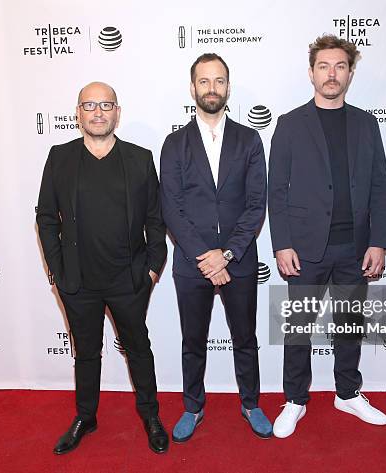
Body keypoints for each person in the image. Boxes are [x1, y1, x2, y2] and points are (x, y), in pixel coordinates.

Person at [268, 35, 386, 438]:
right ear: (311, 73)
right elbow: (277, 190)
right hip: (305, 248)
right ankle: (294, 400)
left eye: (340, 66)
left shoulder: (366, 124)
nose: (332, 74)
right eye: (324, 66)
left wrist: (378, 240)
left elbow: (378, 185)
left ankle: (348, 393)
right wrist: (282, 243)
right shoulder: (289, 124)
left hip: (354, 247)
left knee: (349, 325)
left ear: (350, 73)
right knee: (299, 328)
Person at [36, 81, 169, 454]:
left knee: (138, 348)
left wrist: (153, 268)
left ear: (117, 112)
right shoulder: (60, 157)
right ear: (77, 113)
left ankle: (151, 414)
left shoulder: (139, 158)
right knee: (86, 352)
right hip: (77, 281)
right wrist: (56, 270)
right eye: (89, 105)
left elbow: (156, 219)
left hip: (129, 279)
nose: (97, 112)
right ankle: (86, 415)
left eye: (105, 105)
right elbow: (46, 216)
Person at [160, 54, 272, 441]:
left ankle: (251, 403)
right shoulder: (174, 144)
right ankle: (193, 407)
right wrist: (206, 257)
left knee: (245, 337)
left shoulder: (249, 138)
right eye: (204, 81)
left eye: (219, 81)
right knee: (193, 341)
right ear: (193, 88)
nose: (212, 88)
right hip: (192, 264)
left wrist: (226, 254)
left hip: (238, 260)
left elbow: (257, 204)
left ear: (228, 86)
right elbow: (171, 208)